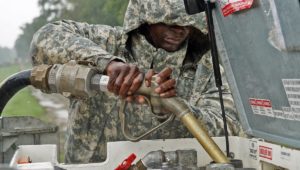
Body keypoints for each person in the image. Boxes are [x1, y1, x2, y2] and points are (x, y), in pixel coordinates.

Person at [30, 0, 242, 164]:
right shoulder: (107, 42)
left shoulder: (205, 69)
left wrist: (171, 111)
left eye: (187, 25)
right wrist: (108, 64)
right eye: (170, 22)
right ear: (145, 19)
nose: (180, 30)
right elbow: (44, 39)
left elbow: (229, 127)